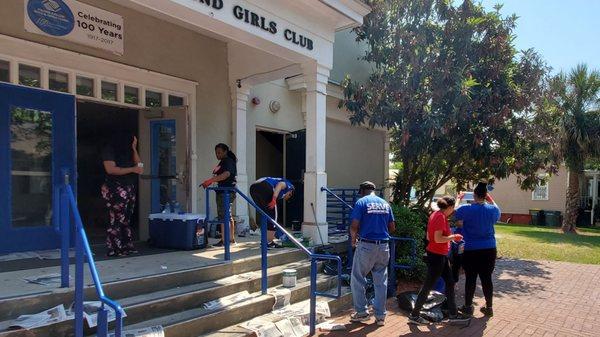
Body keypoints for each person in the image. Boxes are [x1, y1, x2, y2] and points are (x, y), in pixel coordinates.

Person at [408, 196, 469, 325]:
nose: (453, 212)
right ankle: (414, 315)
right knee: (428, 286)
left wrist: (458, 199)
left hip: (438, 254)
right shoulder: (440, 217)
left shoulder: (436, 214)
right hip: (437, 256)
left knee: (450, 282)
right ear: (449, 208)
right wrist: (453, 237)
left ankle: (453, 314)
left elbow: (429, 237)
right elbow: (437, 238)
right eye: (453, 209)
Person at [349, 181, 395, 326]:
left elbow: (354, 226)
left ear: (362, 191)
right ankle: (380, 316)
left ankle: (362, 313)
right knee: (381, 281)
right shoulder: (385, 204)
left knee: (357, 278)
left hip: (366, 245)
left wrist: (353, 241)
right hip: (383, 246)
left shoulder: (361, 202)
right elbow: (392, 227)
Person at [454, 182, 501, 317]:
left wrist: (459, 198)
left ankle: (468, 307)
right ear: (485, 196)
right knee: (487, 278)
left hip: (471, 249)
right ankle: (489, 307)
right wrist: (490, 199)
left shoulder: (466, 209)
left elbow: (455, 211)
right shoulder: (493, 210)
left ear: (474, 195)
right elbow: (497, 208)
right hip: (489, 249)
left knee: (470, 278)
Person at [101, 133, 143, 257]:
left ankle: (126, 245)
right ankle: (114, 247)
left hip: (129, 187)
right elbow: (110, 169)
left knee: (126, 219)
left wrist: (134, 149)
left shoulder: (130, 152)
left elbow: (140, 167)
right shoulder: (109, 149)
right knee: (116, 219)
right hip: (115, 188)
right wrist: (131, 169)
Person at [201, 143, 238, 247]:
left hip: (226, 192)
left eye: (220, 152)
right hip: (223, 191)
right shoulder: (223, 161)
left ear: (225, 151)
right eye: (216, 152)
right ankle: (230, 240)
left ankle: (225, 240)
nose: (217, 154)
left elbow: (226, 174)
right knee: (227, 215)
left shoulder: (228, 161)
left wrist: (210, 181)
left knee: (223, 216)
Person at [249, 177, 294, 248]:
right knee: (273, 217)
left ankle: (265, 241)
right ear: (291, 191)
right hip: (265, 186)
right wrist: (274, 199)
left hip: (253, 188)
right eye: (289, 195)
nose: (287, 197)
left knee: (264, 215)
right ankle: (268, 242)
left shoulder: (278, 189)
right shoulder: (289, 185)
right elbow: (280, 185)